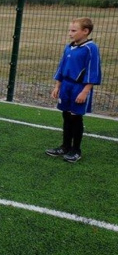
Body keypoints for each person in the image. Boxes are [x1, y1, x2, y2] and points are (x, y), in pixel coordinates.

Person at [46, 17, 102, 163]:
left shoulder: (91, 48)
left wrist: (85, 91)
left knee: (75, 117)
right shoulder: (68, 47)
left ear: (85, 31)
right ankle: (65, 146)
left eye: (73, 30)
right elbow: (61, 67)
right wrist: (57, 86)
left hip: (79, 87)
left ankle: (76, 150)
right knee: (66, 115)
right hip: (66, 85)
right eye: (69, 30)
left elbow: (93, 71)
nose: (70, 33)